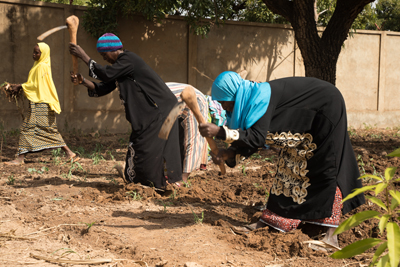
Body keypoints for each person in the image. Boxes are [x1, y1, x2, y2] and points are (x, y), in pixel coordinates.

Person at [199, 71, 365, 248]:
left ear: (235, 95)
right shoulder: (251, 102)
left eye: (225, 102)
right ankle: (274, 221)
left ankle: (331, 237)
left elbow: (257, 137)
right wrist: (228, 154)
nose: (225, 108)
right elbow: (254, 138)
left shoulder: (259, 98)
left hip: (326, 108)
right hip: (305, 119)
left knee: (326, 166)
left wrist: (220, 132)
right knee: (289, 166)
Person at [69, 33, 182, 189]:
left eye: (104, 54)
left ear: (114, 49)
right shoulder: (121, 68)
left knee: (151, 148)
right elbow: (103, 87)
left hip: (163, 110)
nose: (104, 58)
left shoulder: (128, 60)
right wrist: (83, 81)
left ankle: (166, 182)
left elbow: (106, 73)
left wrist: (83, 56)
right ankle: (155, 182)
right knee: (146, 147)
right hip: (158, 111)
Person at [4, 42, 76, 165]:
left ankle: (20, 158)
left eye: (37, 52)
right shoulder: (38, 65)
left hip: (41, 104)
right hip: (39, 103)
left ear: (43, 54)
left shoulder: (42, 66)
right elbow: (34, 84)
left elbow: (37, 85)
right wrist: (19, 86)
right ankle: (69, 153)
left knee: (29, 129)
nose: (34, 54)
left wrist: (20, 86)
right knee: (46, 130)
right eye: (34, 52)